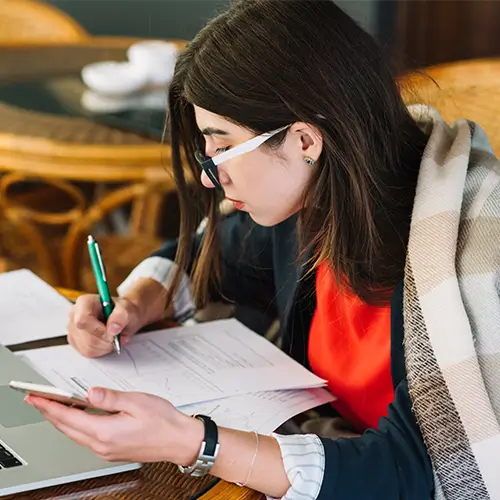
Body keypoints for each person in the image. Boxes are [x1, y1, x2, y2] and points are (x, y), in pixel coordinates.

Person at [25, 1, 500, 499]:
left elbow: (424, 474)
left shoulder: (462, 258)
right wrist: (136, 300)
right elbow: (212, 255)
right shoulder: (323, 200)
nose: (213, 171)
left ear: (303, 140)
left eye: (223, 145)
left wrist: (196, 444)